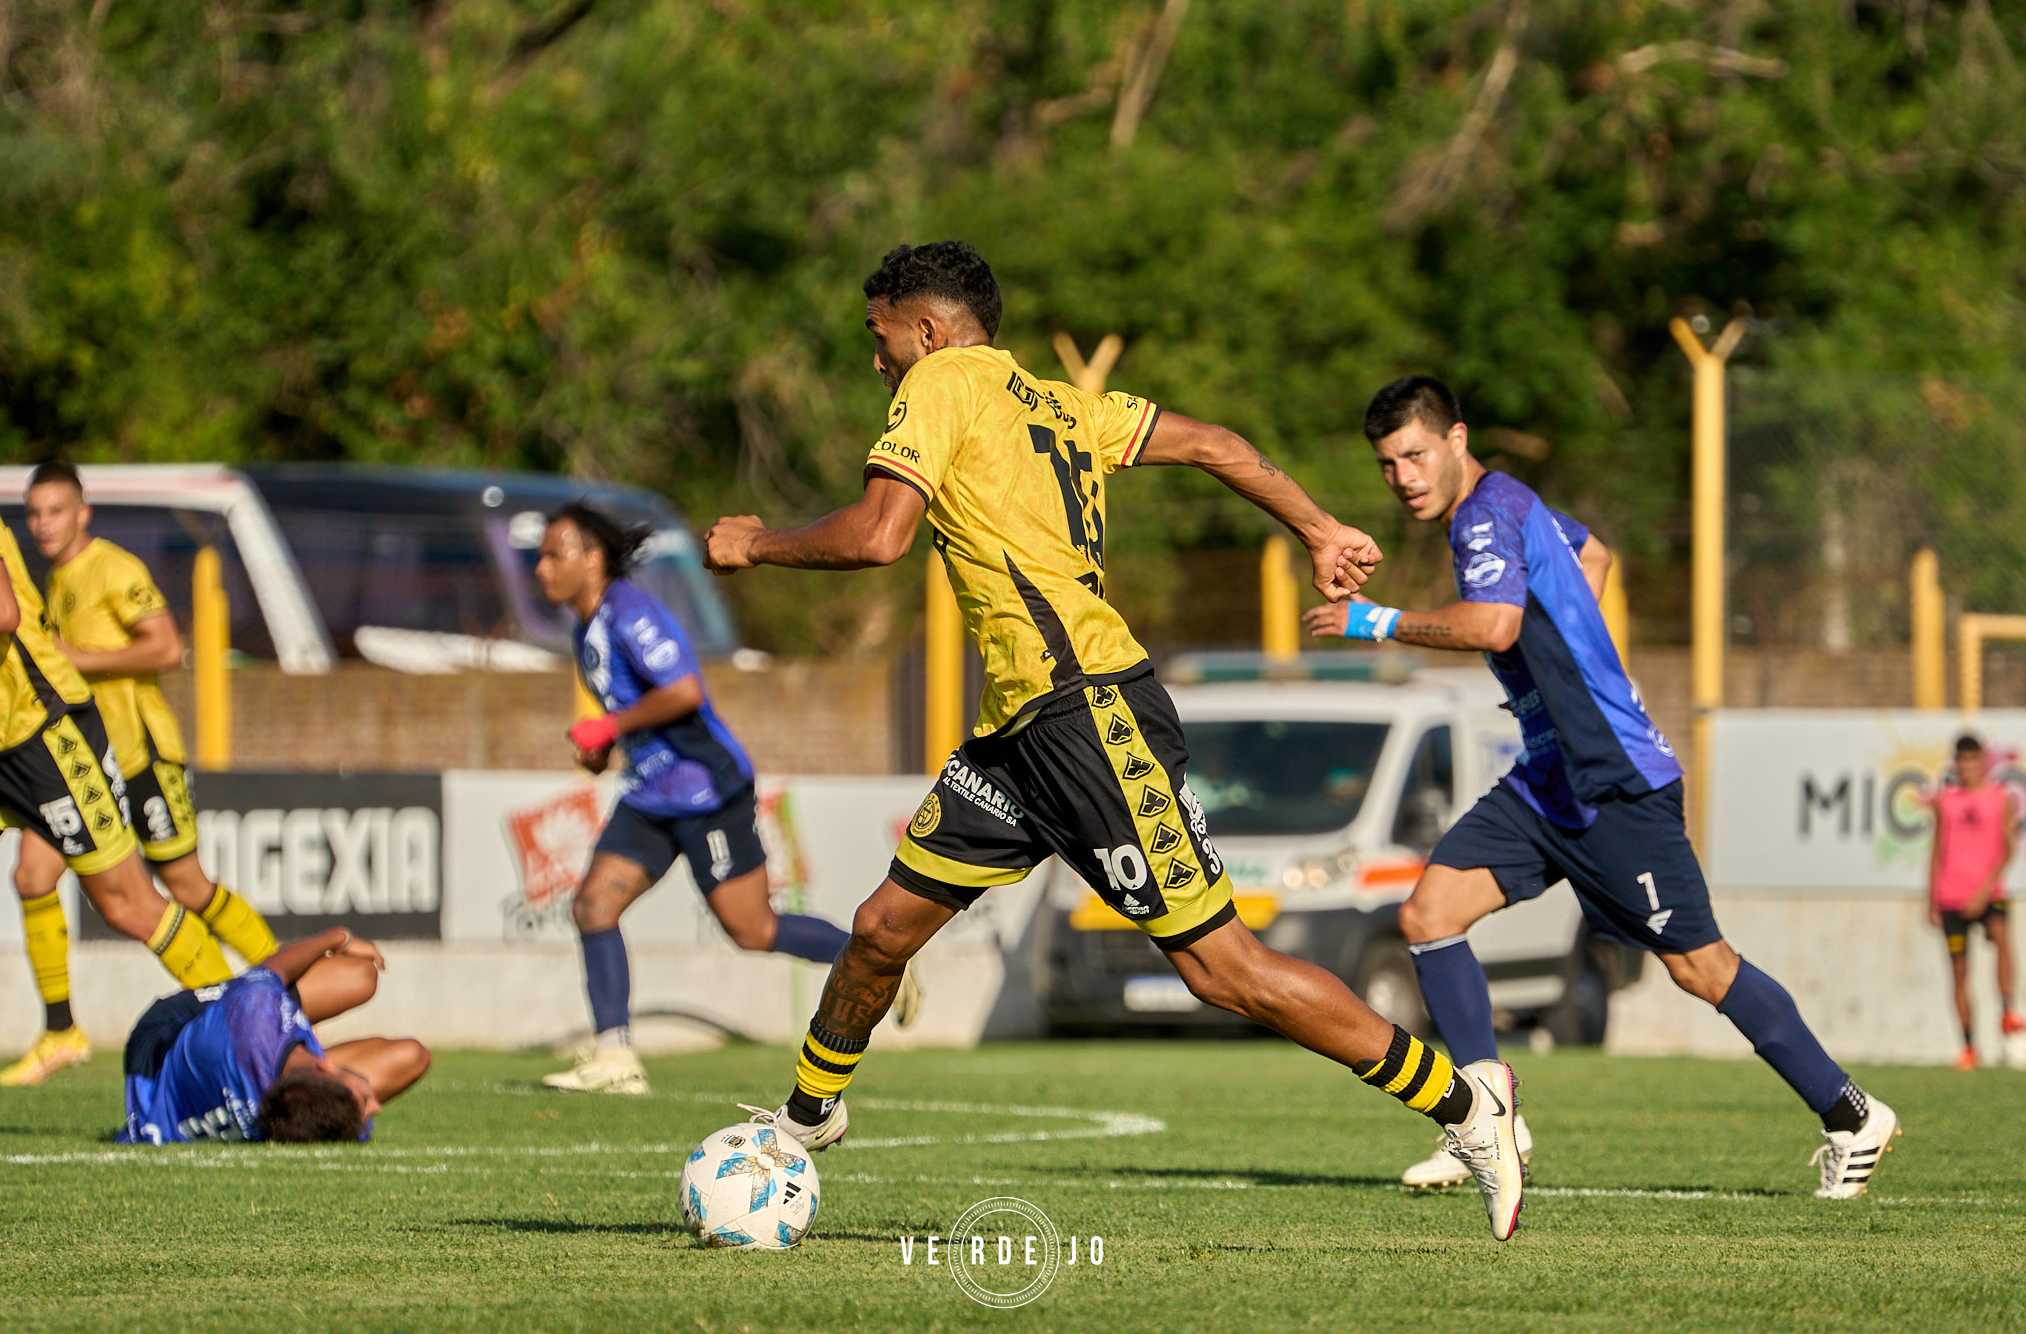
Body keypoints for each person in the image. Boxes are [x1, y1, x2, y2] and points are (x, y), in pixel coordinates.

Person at [704, 241, 1529, 1241]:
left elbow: (879, 536)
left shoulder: (940, 383)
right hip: (1019, 732)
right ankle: (802, 1120)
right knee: (882, 927)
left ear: (925, 328)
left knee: (1223, 972)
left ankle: (1466, 1107)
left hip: (1088, 715)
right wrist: (1313, 528)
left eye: (877, 337)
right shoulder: (1056, 403)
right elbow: (1216, 443)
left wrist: (755, 544)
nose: (875, 360)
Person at [1306, 375, 1902, 1200]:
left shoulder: (1485, 513)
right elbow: (1594, 556)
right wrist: (1570, 650)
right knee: (1429, 915)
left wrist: (1374, 620)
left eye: (1414, 454)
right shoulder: (1509, 502)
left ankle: (1850, 1115)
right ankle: (1490, 1118)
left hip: (1616, 782)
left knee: (1703, 969)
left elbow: (1496, 625)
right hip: (1551, 776)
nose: (1403, 475)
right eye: (1386, 464)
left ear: (1455, 439)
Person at [533, 503, 875, 1095]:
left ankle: (875, 960)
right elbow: (636, 715)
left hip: (705, 790)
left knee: (752, 930)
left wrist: (609, 730)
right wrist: (603, 750)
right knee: (593, 908)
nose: (540, 569)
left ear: (591, 559)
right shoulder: (585, 629)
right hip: (649, 795)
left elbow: (685, 691)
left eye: (551, 555)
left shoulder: (631, 612)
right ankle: (616, 1059)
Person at [0, 461, 280, 1089]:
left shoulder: (115, 568)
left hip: (138, 754)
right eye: (34, 513)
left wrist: (80, 659)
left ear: (82, 512)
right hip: (75, 764)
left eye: (55, 511)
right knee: (31, 873)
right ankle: (60, 1028)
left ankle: (284, 989)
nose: (42, 524)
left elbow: (166, 647)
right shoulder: (51, 582)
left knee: (186, 886)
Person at [119, 925, 429, 1144]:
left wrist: (338, 937)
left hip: (161, 1043)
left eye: (365, 1099)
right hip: (227, 1063)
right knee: (413, 1056)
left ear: (324, 1068)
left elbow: (273, 967)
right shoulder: (299, 1120)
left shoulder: (255, 1015)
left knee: (358, 976)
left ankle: (222, 1017)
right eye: (365, 1101)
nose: (377, 1106)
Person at [1927, 733, 2021, 1069]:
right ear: (1957, 763)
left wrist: (1983, 892)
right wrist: (1932, 899)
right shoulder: (1945, 800)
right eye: (1962, 761)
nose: (1967, 767)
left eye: (1972, 760)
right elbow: (1936, 850)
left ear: (1983, 762)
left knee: (2001, 936)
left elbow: (2008, 849)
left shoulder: (2001, 798)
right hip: (1951, 896)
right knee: (1959, 972)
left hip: (1989, 893)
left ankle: (2008, 1010)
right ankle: (1968, 1047)